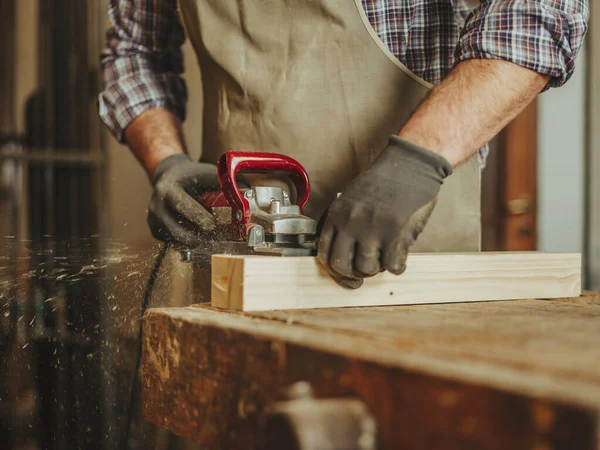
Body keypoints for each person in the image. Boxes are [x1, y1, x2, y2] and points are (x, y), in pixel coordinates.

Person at [99, 0, 588, 289]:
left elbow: (537, 13)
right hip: (239, 274)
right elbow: (134, 52)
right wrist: (167, 161)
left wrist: (417, 162)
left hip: (406, 275)